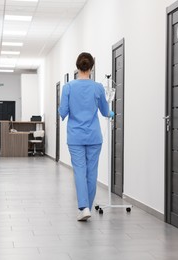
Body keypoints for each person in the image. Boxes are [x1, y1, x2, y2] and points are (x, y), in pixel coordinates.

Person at [58, 52, 114, 221]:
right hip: (94, 136)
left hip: (75, 137)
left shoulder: (68, 87)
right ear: (91, 68)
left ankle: (84, 208)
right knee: (92, 172)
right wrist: (113, 113)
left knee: (79, 171)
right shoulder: (97, 87)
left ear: (77, 67)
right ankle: (86, 207)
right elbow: (105, 112)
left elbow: (63, 112)